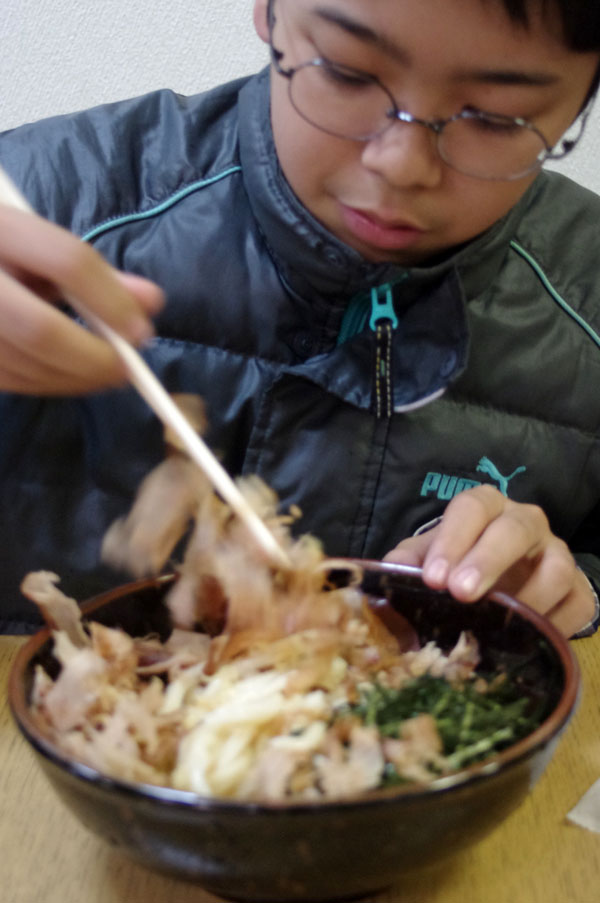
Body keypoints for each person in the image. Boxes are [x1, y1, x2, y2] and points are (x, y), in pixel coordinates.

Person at [1, 0, 599, 637]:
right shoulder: (43, 202)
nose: (400, 165)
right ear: (270, 11)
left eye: (497, 118)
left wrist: (579, 590)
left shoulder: (585, 289)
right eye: (347, 72)